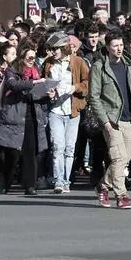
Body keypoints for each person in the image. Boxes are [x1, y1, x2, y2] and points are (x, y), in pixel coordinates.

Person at [88, 31, 131, 210]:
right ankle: (122, 195)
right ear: (108, 47)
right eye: (115, 46)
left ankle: (103, 186)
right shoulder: (99, 67)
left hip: (128, 118)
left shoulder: (129, 64)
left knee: (128, 155)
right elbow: (94, 97)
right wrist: (105, 122)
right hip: (111, 118)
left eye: (121, 45)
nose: (119, 49)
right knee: (118, 158)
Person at [0, 45, 51, 195]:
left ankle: (30, 185)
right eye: (29, 57)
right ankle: (5, 181)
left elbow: (38, 94)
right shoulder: (12, 70)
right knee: (12, 153)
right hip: (15, 115)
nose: (32, 60)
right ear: (22, 58)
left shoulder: (36, 72)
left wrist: (48, 94)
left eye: (34, 58)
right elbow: (14, 84)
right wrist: (34, 83)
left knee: (31, 152)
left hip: (32, 116)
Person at [43, 32, 89, 194]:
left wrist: (75, 87)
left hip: (72, 110)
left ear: (64, 48)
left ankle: (67, 180)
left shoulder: (78, 62)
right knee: (57, 146)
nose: (52, 52)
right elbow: (45, 83)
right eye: (51, 48)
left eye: (55, 48)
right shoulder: (49, 63)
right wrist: (48, 92)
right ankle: (58, 181)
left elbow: (88, 82)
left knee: (69, 148)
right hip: (55, 109)